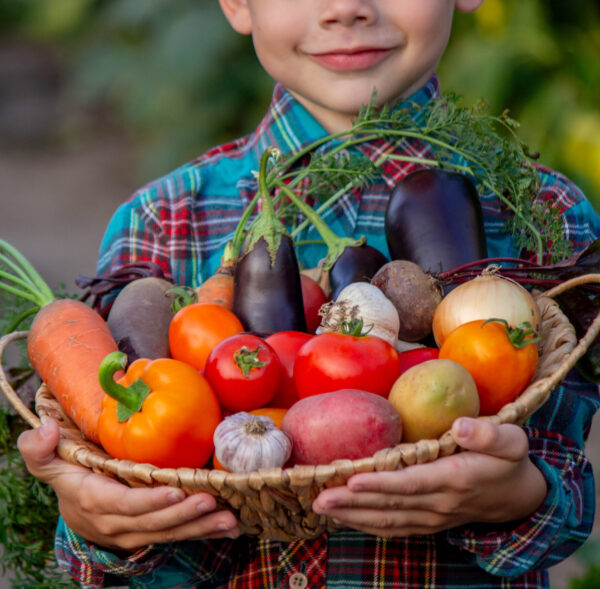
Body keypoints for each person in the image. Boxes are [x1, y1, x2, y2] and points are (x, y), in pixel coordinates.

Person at [17, 1, 600, 587]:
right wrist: (98, 520)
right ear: (238, 4)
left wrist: (516, 497)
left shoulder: (546, 219)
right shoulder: (163, 219)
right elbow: (132, 523)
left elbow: (566, 485)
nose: (346, 8)